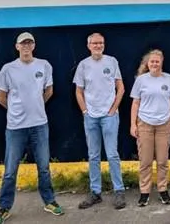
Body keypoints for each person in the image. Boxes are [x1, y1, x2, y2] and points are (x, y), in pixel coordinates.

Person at [0, 32, 63, 224]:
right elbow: (1, 97)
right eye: (23, 43)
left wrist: (36, 107)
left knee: (44, 167)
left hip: (40, 125)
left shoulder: (44, 65)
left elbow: (49, 91)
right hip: (15, 128)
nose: (26, 46)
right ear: (17, 47)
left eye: (29, 43)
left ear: (34, 46)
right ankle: (4, 207)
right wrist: (16, 111)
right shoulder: (8, 69)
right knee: (10, 170)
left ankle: (49, 201)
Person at [73, 33, 126, 210]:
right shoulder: (83, 65)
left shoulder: (112, 61)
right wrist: (85, 111)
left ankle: (119, 191)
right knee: (93, 156)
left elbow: (121, 88)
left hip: (109, 116)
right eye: (94, 43)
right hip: (91, 117)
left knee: (112, 154)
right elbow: (79, 91)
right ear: (88, 45)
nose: (98, 45)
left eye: (101, 43)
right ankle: (95, 192)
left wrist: (113, 109)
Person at [130, 49, 170, 207]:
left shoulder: (169, 79)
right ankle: (144, 192)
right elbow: (135, 103)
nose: (154, 64)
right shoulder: (141, 80)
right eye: (152, 61)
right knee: (145, 161)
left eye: (157, 61)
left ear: (162, 62)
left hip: (164, 124)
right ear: (147, 63)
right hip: (145, 123)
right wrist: (133, 124)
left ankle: (163, 190)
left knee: (163, 161)